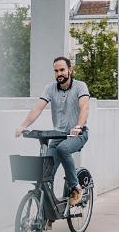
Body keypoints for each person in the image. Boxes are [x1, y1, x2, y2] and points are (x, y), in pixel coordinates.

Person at [15, 56, 90, 206]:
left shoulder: (80, 86)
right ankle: (48, 214)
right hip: (57, 136)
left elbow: (84, 107)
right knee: (45, 173)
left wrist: (79, 126)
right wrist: (23, 125)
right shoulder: (50, 88)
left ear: (70, 69)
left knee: (63, 149)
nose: (59, 74)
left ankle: (76, 186)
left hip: (77, 134)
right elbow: (38, 108)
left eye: (62, 70)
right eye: (56, 71)